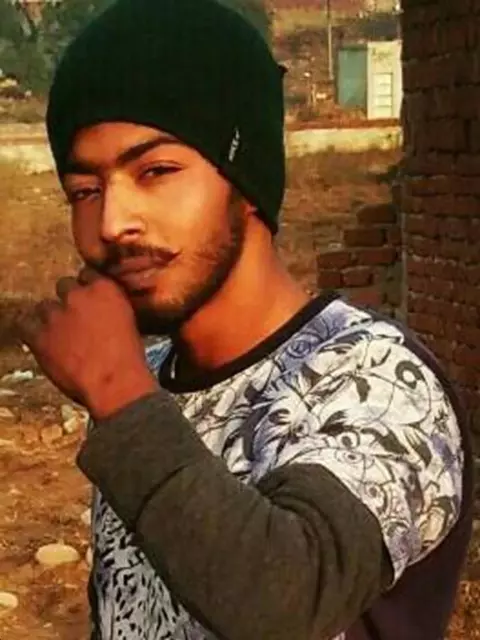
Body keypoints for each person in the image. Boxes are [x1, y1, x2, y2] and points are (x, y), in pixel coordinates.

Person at [17, 0, 473, 638]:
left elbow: (285, 605)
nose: (112, 223)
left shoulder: (378, 380)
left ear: (246, 177)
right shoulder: (147, 382)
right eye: (85, 191)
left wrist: (117, 392)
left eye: (157, 171)